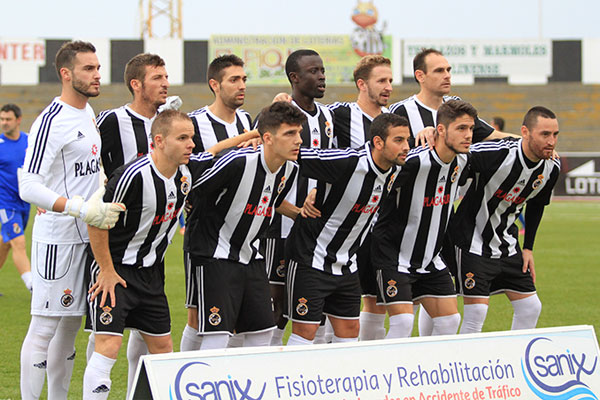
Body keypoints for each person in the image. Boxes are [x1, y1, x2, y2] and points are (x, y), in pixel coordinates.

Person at [82, 110, 256, 398]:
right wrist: (106, 270)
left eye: (192, 137)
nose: (191, 144)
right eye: (183, 138)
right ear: (159, 141)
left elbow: (213, 151)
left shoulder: (187, 172)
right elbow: (96, 220)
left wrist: (250, 136)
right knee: (108, 347)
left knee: (163, 349)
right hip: (115, 270)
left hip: (151, 275)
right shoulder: (131, 176)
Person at [18, 40, 125, 400]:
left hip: (88, 237)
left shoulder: (88, 114)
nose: (97, 75)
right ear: (66, 74)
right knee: (44, 329)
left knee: (67, 331)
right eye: (88, 69)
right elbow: (28, 184)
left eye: (97, 68)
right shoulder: (51, 119)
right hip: (57, 238)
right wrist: (77, 207)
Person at [389, 48, 514, 335]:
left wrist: (528, 142)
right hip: (405, 223)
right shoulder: (402, 112)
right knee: (403, 304)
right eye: (439, 70)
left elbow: (493, 137)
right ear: (420, 76)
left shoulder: (458, 109)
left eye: (448, 70)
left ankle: (430, 355)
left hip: (443, 214)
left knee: (439, 299)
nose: (447, 75)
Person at [284, 112, 410, 346]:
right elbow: (292, 154)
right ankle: (293, 381)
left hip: (347, 263)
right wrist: (258, 137)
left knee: (350, 331)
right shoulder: (347, 162)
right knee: (306, 332)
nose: (406, 147)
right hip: (311, 258)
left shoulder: (395, 169)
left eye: (407, 140)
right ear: (378, 143)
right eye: (399, 140)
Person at [187, 101, 304, 350]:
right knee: (217, 334)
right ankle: (195, 383)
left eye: (299, 133)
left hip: (251, 257)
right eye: (290, 134)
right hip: (214, 255)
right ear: (268, 138)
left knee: (263, 332)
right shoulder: (238, 162)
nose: (298, 140)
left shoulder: (291, 169)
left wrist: (298, 213)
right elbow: (195, 181)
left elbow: (270, 201)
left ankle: (249, 386)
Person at [89, 52, 172, 398]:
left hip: (151, 249)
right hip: (111, 245)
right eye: (157, 77)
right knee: (101, 337)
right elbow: (88, 166)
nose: (165, 83)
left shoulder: (168, 126)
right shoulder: (111, 121)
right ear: (136, 84)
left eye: (166, 76)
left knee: (147, 334)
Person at [371, 100, 477, 339]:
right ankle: (381, 373)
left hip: (430, 259)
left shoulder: (463, 161)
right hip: (394, 256)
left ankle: (428, 372)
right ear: (440, 130)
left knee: (451, 321)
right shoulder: (412, 162)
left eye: (470, 129)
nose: (468, 135)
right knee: (403, 323)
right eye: (461, 128)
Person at [452, 106, 560, 334]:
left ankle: (516, 361)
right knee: (473, 315)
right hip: (471, 242)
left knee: (531, 307)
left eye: (555, 134)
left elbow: (537, 206)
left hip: (508, 246)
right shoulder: (495, 153)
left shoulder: (551, 167)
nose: (551, 141)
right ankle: (462, 366)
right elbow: (455, 160)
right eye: (545, 134)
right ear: (525, 132)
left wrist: (528, 248)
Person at [182, 54, 253, 352]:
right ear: (215, 84)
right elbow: (189, 172)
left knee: (237, 316)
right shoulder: (195, 123)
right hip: (206, 234)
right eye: (233, 80)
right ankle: (182, 377)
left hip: (243, 234)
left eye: (244, 79)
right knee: (199, 316)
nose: (241, 86)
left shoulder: (247, 120)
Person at [264, 49, 335, 345]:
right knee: (276, 305)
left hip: (314, 229)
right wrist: (291, 209)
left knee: (314, 305)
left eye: (322, 70)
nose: (321, 76)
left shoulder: (329, 115)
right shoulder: (277, 114)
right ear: (294, 77)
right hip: (280, 226)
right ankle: (263, 366)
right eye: (313, 71)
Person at [328, 55, 394, 341]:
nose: (388, 86)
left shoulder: (395, 122)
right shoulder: (340, 114)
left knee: (376, 300)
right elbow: (303, 114)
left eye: (390, 80)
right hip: (341, 226)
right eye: (381, 80)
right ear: (361, 84)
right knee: (337, 305)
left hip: (380, 225)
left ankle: (366, 369)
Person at [0, 103, 32, 292]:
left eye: (8, 119)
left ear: (18, 120)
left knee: (6, 244)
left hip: (25, 202)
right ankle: (32, 285)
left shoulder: (29, 141)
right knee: (19, 242)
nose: (4, 123)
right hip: (5, 203)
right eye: (2, 119)